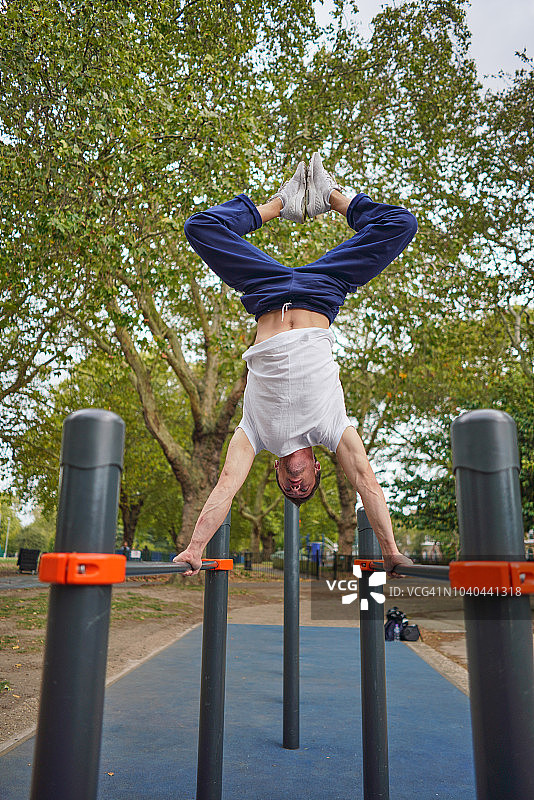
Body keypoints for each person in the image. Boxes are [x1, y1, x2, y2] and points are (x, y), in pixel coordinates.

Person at [174, 153, 416, 577]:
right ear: (318, 466)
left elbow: (225, 488)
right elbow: (366, 483)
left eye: (291, 489)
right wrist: (391, 550)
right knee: (401, 225)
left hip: (264, 290)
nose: (297, 487)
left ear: (279, 472)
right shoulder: (333, 428)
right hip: (323, 290)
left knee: (200, 228)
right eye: (305, 487)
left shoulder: (255, 435)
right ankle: (333, 198)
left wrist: (195, 548)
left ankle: (280, 205)